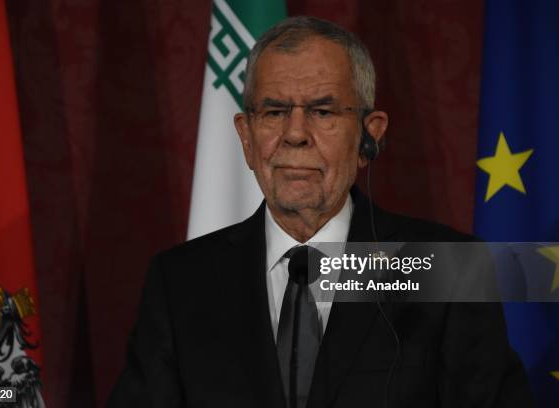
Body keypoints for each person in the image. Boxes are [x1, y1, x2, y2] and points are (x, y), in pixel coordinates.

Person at [108, 16, 533, 408]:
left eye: (322, 111)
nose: (295, 134)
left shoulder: (447, 270)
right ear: (246, 138)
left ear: (370, 137)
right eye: (274, 112)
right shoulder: (181, 282)